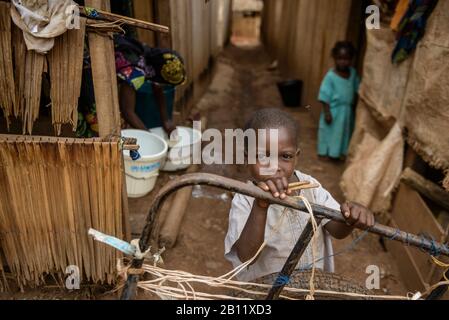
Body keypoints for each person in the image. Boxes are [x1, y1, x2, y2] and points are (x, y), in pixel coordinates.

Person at [224, 108, 374, 282]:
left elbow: (337, 230)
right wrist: (261, 206)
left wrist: (351, 217)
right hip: (266, 292)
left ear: (296, 157)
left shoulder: (311, 187)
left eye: (285, 156)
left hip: (312, 287)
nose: (275, 166)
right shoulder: (245, 199)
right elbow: (246, 256)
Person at [114, 35, 186, 135]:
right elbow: (128, 112)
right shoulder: (136, 72)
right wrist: (151, 137)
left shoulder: (153, 60)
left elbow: (157, 87)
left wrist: (166, 120)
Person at [317, 41, 360, 160]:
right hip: (333, 111)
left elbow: (358, 89)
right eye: (340, 58)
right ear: (335, 58)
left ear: (351, 59)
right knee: (329, 132)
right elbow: (324, 95)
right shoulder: (331, 76)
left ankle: (337, 154)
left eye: (346, 58)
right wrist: (327, 112)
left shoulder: (353, 74)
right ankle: (325, 153)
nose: (343, 61)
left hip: (346, 112)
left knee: (342, 134)